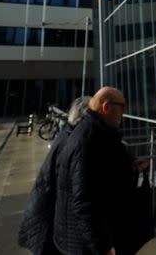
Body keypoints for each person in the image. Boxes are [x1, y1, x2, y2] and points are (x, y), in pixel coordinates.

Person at [53, 87, 137, 255]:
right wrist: (104, 247)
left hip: (81, 239)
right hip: (85, 245)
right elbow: (85, 201)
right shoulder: (89, 139)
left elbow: (100, 177)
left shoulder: (91, 131)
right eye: (123, 106)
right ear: (106, 107)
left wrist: (131, 167)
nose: (124, 112)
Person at [18, 96, 91, 255]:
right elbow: (80, 196)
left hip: (50, 219)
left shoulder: (66, 135)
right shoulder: (75, 142)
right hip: (54, 223)